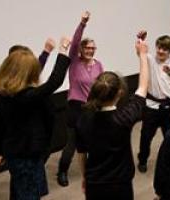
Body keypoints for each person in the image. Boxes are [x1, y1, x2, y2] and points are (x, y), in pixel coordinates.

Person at [0, 37, 71, 200]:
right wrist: (63, 50)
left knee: (18, 189)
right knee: (28, 194)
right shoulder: (27, 97)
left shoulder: (4, 93)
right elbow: (54, 82)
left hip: (15, 152)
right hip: (27, 155)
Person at [75, 37, 149, 200]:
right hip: (120, 184)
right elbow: (143, 87)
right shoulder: (124, 118)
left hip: (95, 183)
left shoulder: (83, 119)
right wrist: (142, 55)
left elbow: (81, 154)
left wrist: (85, 178)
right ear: (120, 94)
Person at [57, 11, 104, 187]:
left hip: (93, 108)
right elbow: (75, 41)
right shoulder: (75, 62)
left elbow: (100, 86)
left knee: (93, 142)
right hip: (76, 107)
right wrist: (83, 23)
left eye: (93, 48)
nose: (90, 50)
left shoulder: (99, 64)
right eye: (87, 48)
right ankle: (62, 171)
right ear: (81, 50)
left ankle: (91, 171)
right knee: (72, 144)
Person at [136, 30, 170, 173]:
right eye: (159, 47)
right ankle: (142, 160)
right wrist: (140, 39)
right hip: (151, 106)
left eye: (165, 49)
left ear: (169, 50)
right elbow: (140, 52)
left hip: (169, 106)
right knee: (146, 137)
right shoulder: (149, 60)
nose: (161, 51)